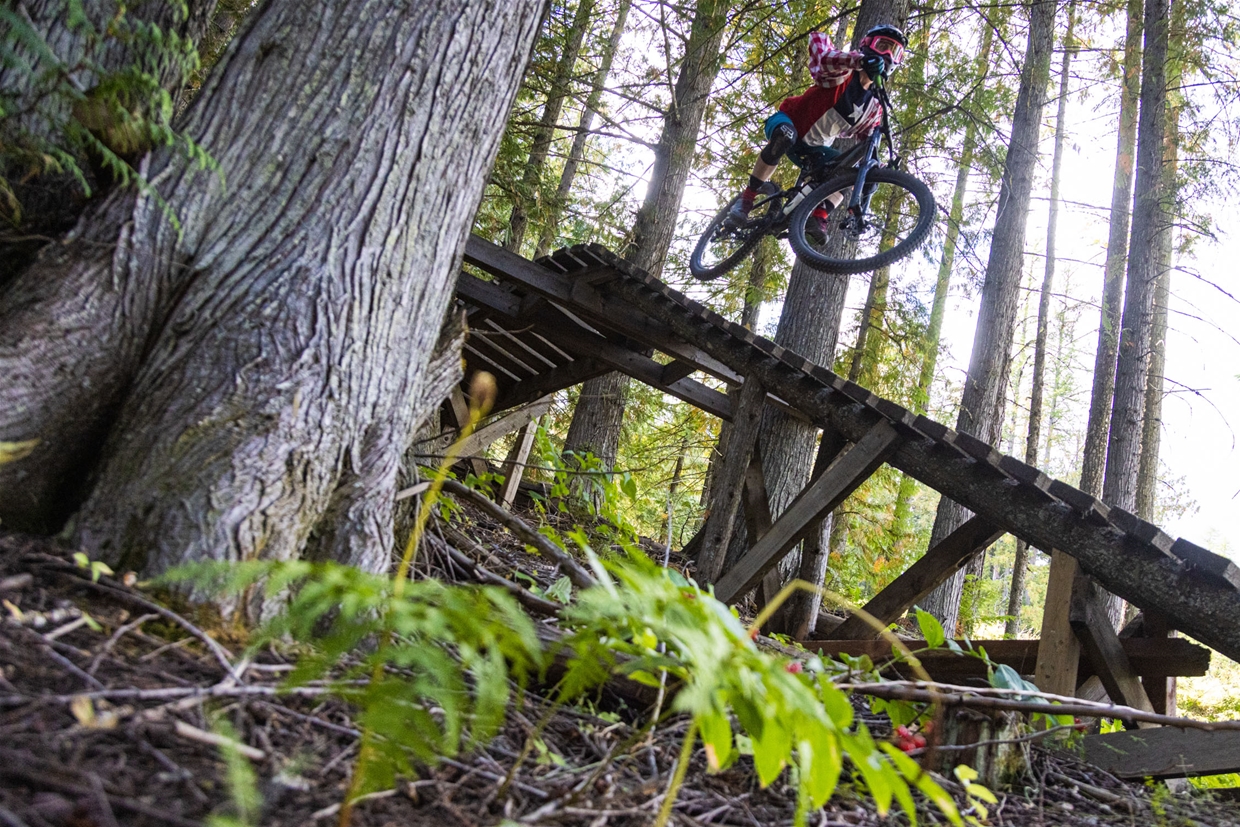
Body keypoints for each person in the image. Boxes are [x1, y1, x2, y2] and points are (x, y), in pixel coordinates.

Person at [728, 25, 907, 241]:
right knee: (785, 136)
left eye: (895, 52)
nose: (887, 55)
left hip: (813, 148)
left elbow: (867, 145)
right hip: (788, 121)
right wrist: (859, 61)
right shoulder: (844, 72)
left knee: (847, 172)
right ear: (868, 45)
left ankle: (819, 216)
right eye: (883, 46)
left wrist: (878, 168)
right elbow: (820, 50)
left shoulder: (873, 108)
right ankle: (747, 198)